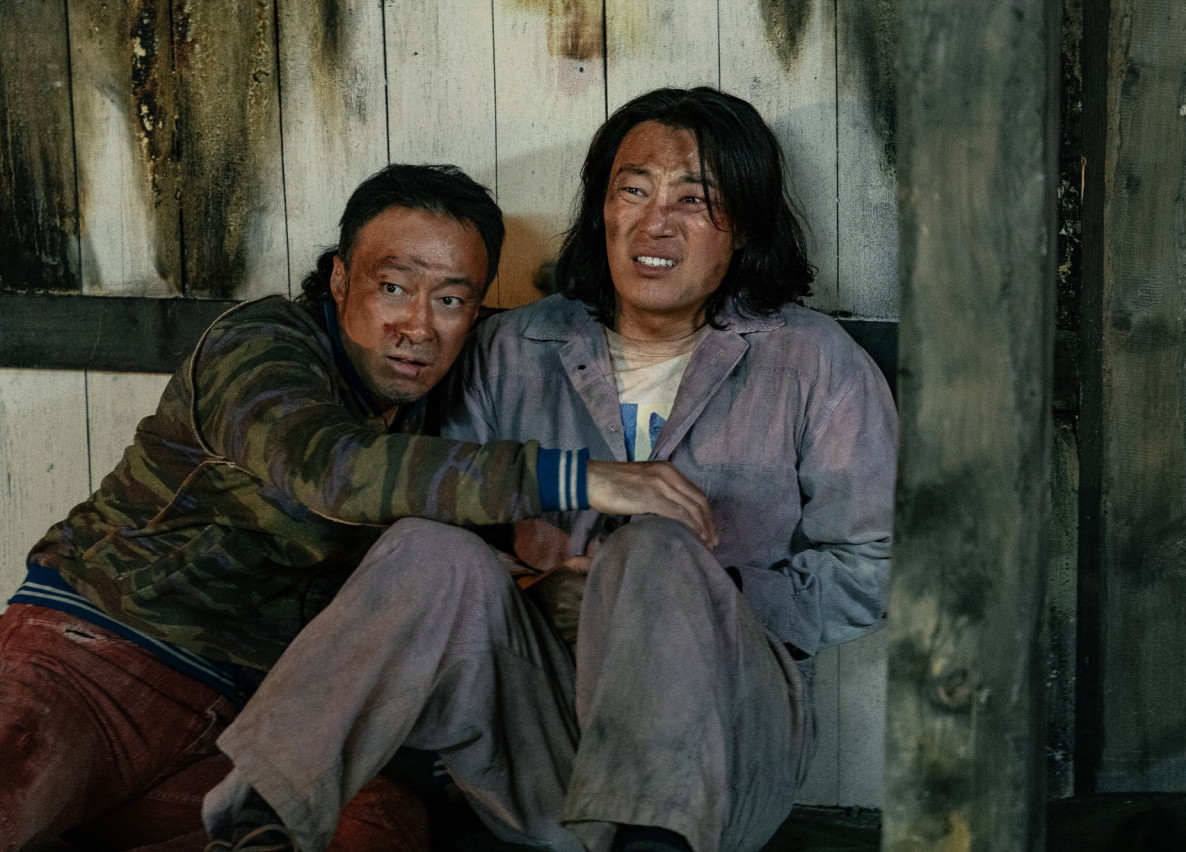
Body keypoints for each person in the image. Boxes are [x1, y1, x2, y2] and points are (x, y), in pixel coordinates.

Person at [201, 87, 897, 852]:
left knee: (655, 549)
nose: (655, 222)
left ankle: (653, 841)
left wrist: (689, 598)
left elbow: (870, 572)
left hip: (724, 757)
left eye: (693, 199)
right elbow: (449, 516)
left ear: (748, 224)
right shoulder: (514, 350)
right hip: (541, 743)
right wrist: (540, 589)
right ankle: (257, 826)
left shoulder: (815, 364)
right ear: (602, 210)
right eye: (633, 190)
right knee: (426, 548)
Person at [0, 163, 712, 852]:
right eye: (394, 287)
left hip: (258, 724)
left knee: (381, 828)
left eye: (451, 301)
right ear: (340, 279)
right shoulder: (261, 345)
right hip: (99, 653)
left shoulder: (446, 398)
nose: (418, 326)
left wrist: (543, 588)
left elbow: (436, 572)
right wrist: (581, 477)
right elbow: (334, 470)